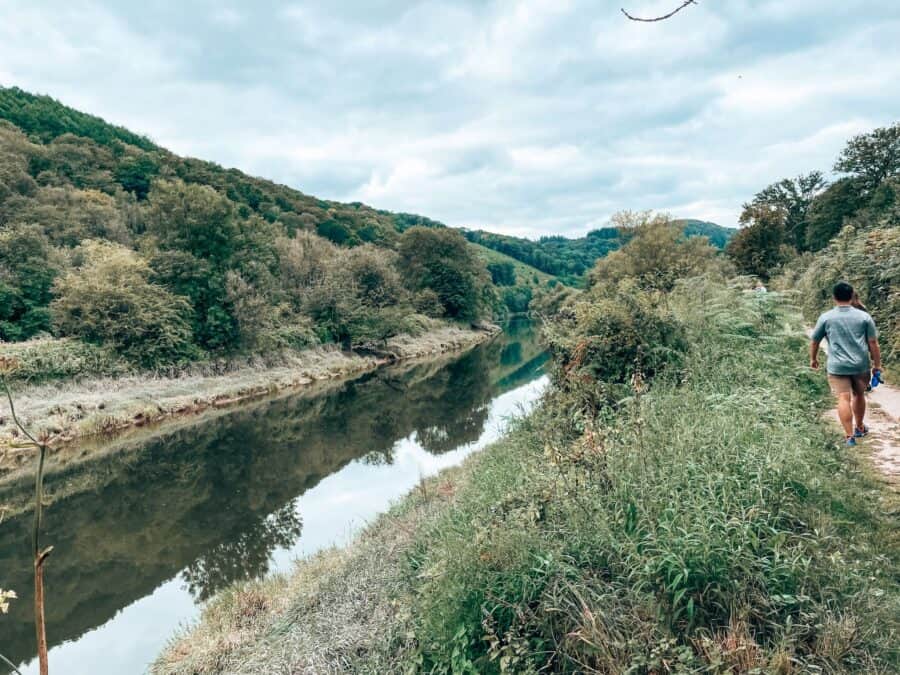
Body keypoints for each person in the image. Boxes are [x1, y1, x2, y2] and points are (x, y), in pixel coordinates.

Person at [810, 281, 882, 446]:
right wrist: (877, 365)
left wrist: (813, 359)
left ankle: (849, 437)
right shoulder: (864, 317)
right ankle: (860, 427)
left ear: (834, 297)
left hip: (837, 366)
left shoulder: (826, 317)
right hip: (860, 365)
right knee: (859, 395)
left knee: (843, 398)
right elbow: (873, 343)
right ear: (852, 296)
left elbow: (814, 341)